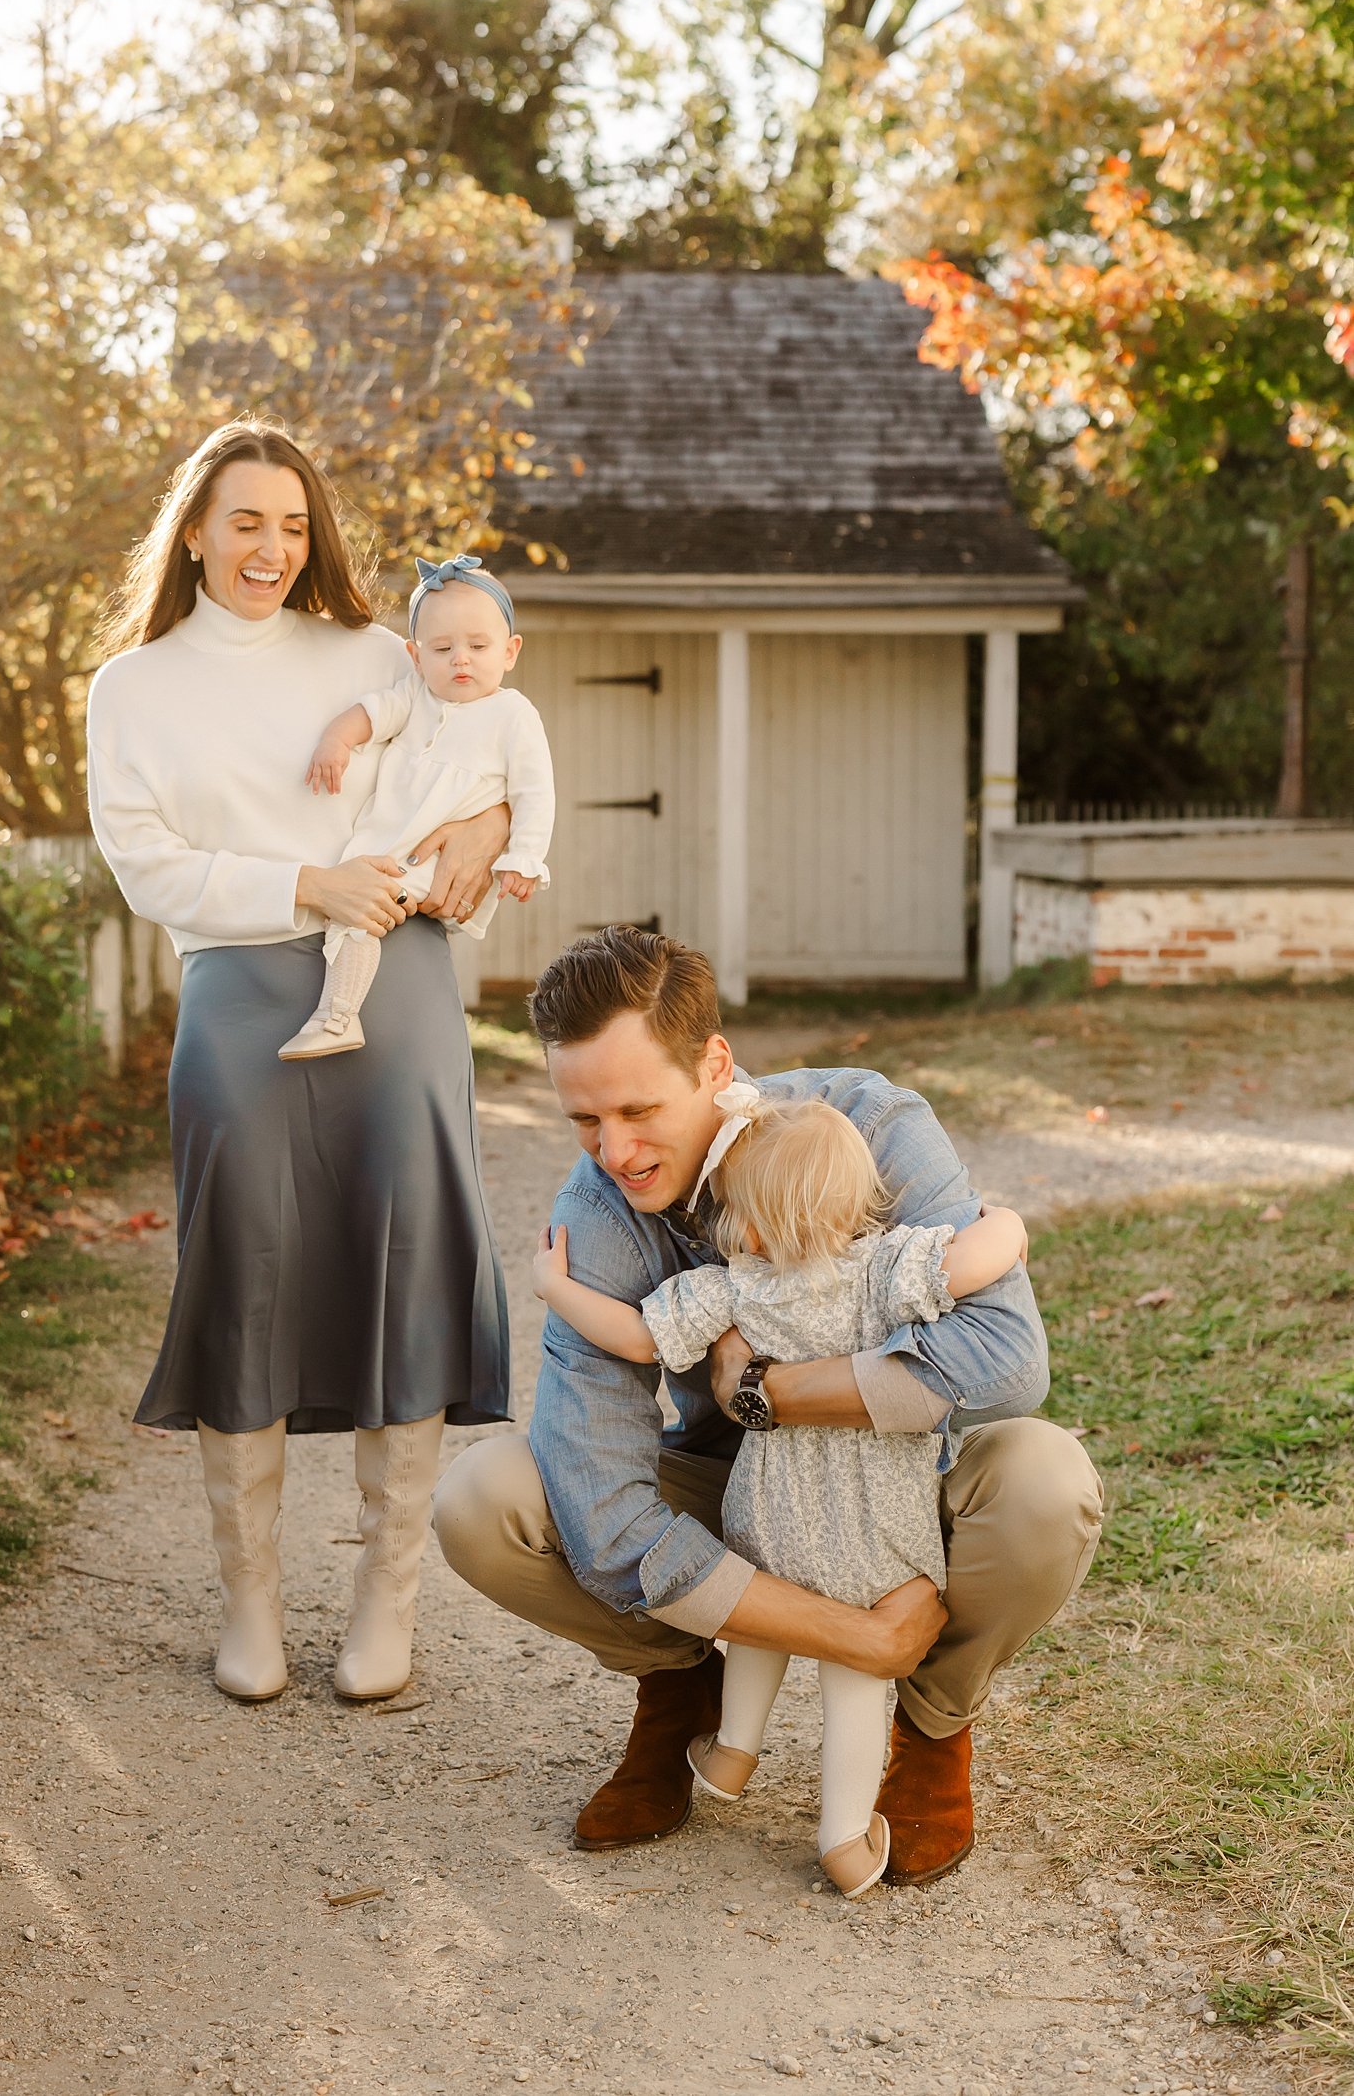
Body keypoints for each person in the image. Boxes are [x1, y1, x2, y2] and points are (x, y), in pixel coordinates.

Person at [435, 926, 1103, 1885]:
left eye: (637, 1108)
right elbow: (598, 1499)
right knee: (485, 1502)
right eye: (583, 1119)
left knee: (1047, 1479)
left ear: (714, 1063)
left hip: (898, 1494)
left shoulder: (867, 1127)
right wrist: (854, 1636)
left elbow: (1005, 1360)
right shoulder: (595, 1215)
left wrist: (768, 1392)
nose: (614, 1151)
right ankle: (680, 1686)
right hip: (734, 1496)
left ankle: (930, 1722)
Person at [86, 418, 511, 1708]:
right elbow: (146, 864)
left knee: (409, 1251)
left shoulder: (381, 654)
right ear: (198, 534)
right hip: (236, 996)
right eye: (244, 521)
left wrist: (487, 819)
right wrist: (302, 880)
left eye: (291, 522)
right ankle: (252, 1608)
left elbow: (483, 755)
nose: (271, 546)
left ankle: (387, 1607)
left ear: (311, 533)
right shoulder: (133, 687)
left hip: (401, 988)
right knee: (246, 1270)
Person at [532, 1087, 1029, 1896]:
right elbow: (976, 1259)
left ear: (751, 1224)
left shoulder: (734, 1286)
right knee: (855, 1681)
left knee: (760, 1620)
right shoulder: (886, 1270)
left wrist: (554, 1287)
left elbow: (634, 1334)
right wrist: (1008, 1222)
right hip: (877, 1534)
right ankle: (841, 1840)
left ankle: (730, 1753)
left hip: (766, 1518)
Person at [281, 553, 554, 1060]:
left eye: (478, 646)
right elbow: (370, 713)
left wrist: (524, 857)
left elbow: (534, 793)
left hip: (433, 862)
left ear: (510, 651)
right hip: (386, 845)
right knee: (350, 915)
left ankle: (337, 1014)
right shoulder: (414, 695)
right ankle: (340, 1011)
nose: (461, 660)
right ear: (415, 655)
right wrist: (337, 741)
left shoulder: (512, 714)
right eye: (443, 648)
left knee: (358, 917)